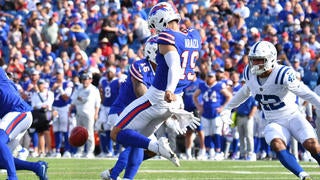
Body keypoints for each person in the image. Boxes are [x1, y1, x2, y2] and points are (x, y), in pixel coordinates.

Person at [110, 1, 201, 168]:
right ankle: (114, 174)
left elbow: (174, 65)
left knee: (117, 133)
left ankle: (157, 147)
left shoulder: (166, 37)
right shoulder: (195, 36)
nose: (155, 31)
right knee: (137, 142)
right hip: (175, 99)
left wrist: (169, 89)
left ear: (161, 20)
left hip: (158, 96)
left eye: (154, 25)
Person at [220, 40, 320, 180]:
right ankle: (303, 176)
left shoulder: (283, 74)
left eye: (259, 60)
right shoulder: (249, 73)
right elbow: (245, 91)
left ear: (271, 59)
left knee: (312, 145)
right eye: (253, 60)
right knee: (276, 144)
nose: (255, 64)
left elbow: (307, 94)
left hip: (292, 116)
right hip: (273, 120)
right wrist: (228, 108)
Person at [101, 35, 159, 180]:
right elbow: (143, 97)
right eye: (162, 51)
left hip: (137, 115)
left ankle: (113, 173)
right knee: (137, 145)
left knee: (151, 150)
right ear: (153, 52)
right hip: (122, 112)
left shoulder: (159, 72)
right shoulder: (141, 66)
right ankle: (115, 176)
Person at [0, 68, 48, 180]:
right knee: (1, 160)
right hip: (13, 115)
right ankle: (37, 167)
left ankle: (12, 177)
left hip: (18, 111)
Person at [193, 71, 233, 160]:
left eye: (211, 77)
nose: (209, 78)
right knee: (207, 133)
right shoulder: (202, 85)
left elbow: (229, 96)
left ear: (215, 77)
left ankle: (218, 152)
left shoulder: (219, 85)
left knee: (217, 132)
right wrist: (199, 106)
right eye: (208, 76)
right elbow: (195, 96)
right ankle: (209, 151)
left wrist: (223, 107)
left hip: (216, 113)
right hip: (205, 112)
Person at [69, 72, 101, 158]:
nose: (85, 81)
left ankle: (90, 151)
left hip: (89, 113)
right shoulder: (78, 88)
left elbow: (96, 103)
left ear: (91, 80)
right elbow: (74, 100)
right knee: (79, 133)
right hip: (79, 113)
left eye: (87, 79)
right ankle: (80, 151)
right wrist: (70, 109)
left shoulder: (94, 89)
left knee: (89, 133)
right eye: (84, 79)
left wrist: (96, 113)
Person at [50, 68, 74, 158]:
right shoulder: (52, 82)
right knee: (56, 129)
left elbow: (66, 97)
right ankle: (57, 150)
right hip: (55, 108)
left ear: (63, 74)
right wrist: (53, 88)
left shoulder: (67, 83)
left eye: (59, 74)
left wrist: (59, 88)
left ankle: (67, 150)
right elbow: (48, 94)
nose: (58, 75)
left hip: (64, 108)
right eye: (57, 74)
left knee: (65, 130)